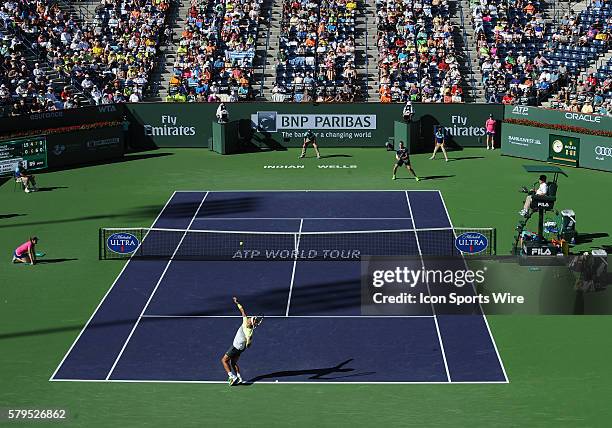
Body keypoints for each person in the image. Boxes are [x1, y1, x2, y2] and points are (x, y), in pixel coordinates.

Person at [221, 297, 263, 386]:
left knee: (224, 360)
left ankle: (232, 376)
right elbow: (242, 311)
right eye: (249, 319)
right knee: (233, 363)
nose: (247, 319)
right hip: (241, 349)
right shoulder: (245, 321)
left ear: (250, 323)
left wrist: (248, 342)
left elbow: (249, 344)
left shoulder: (249, 332)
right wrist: (237, 303)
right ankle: (239, 377)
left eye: (249, 320)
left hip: (236, 347)